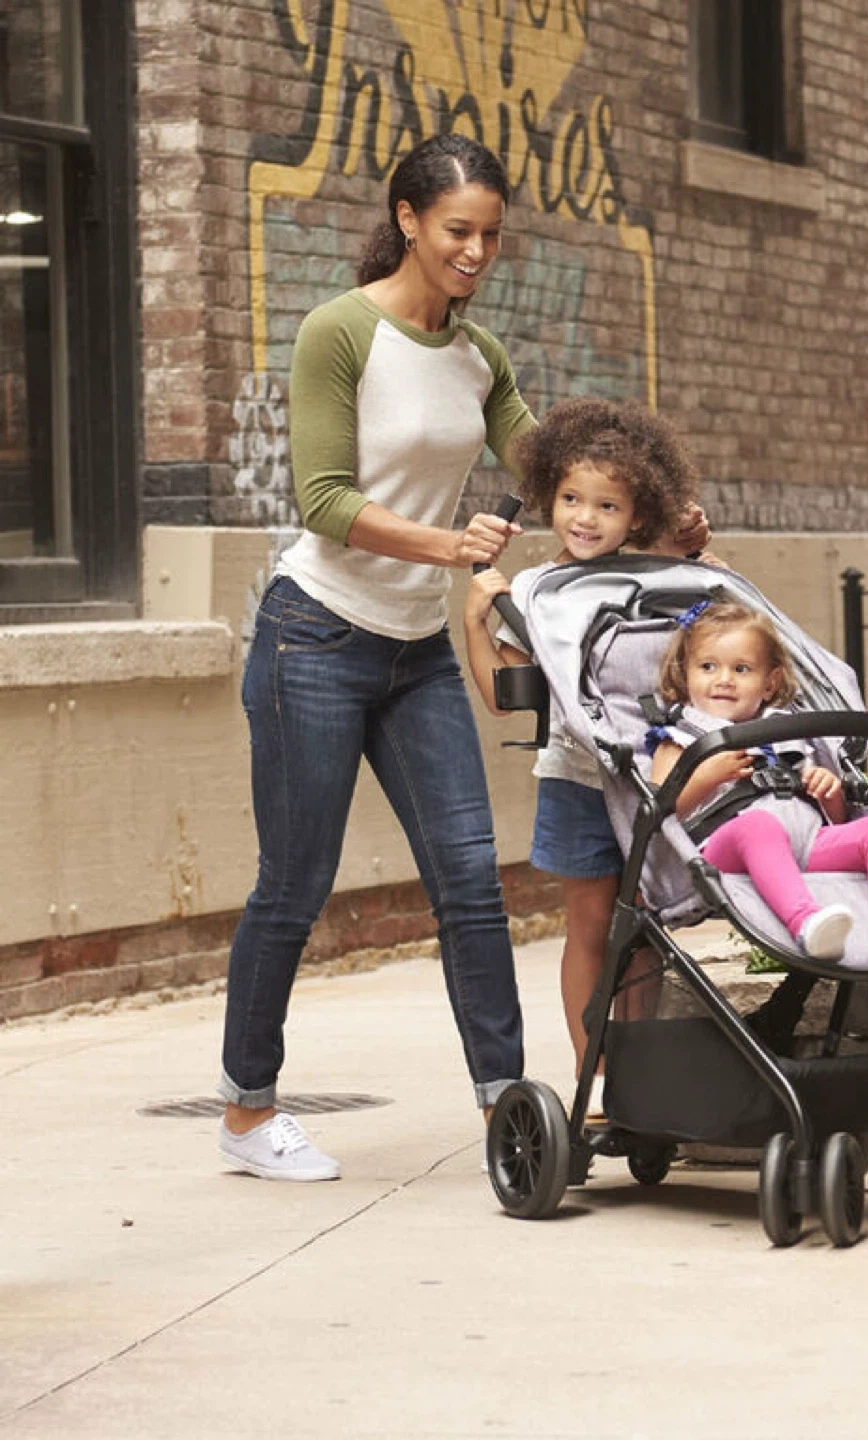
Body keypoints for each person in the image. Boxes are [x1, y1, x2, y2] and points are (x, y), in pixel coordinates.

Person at [218, 134, 536, 1182]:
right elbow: (323, 500)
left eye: (491, 234)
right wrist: (451, 547)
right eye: (458, 231)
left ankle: (508, 1107)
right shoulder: (340, 332)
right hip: (313, 635)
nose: (476, 252)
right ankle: (249, 1113)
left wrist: (665, 508)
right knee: (294, 886)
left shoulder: (479, 356)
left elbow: (550, 458)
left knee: (471, 881)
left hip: (415, 654)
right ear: (408, 220)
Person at [464, 396, 699, 1083]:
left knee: (647, 927)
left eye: (607, 505)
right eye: (571, 499)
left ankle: (641, 1079)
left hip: (652, 780)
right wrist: (475, 623)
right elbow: (502, 697)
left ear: (638, 515)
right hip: (576, 782)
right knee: (592, 925)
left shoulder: (656, 577)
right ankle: (591, 1076)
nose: (585, 518)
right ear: (549, 496)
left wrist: (691, 550)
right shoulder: (536, 590)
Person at [647, 600, 868, 964]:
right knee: (758, 826)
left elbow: (835, 819)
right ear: (685, 675)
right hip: (725, 851)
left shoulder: (788, 731)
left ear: (769, 684)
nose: (724, 679)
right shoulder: (679, 739)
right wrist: (705, 778)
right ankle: (807, 924)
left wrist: (828, 793)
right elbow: (658, 811)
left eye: (741, 669)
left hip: (807, 843)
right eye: (708, 667)